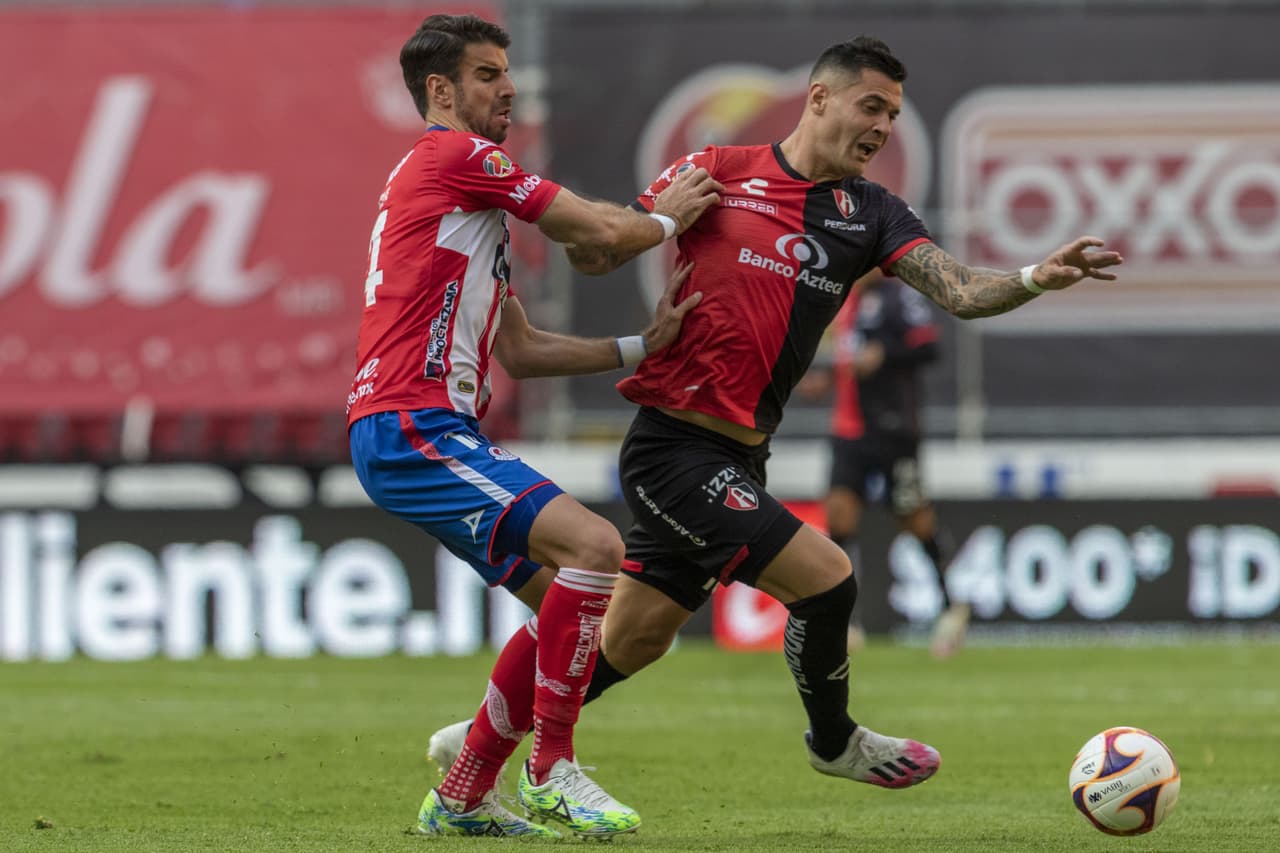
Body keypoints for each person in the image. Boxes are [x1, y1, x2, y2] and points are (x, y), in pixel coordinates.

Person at [556, 34, 1123, 790]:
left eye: (892, 113)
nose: (883, 125)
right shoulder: (720, 172)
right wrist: (655, 221)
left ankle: (491, 730)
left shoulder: (873, 211)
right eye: (872, 106)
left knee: (636, 637)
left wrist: (1035, 275)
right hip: (672, 445)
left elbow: (959, 290)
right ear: (819, 98)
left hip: (739, 455)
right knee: (827, 577)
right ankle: (833, 740)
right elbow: (592, 255)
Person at [347, 14, 721, 839]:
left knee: (564, 606)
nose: (508, 87)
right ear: (440, 92)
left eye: (507, 72)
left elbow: (517, 348)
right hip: (413, 421)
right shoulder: (460, 156)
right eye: (487, 75)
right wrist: (669, 218)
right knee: (595, 550)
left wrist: (637, 346)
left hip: (416, 426)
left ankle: (461, 793)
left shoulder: (456, 197)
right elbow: (596, 230)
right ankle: (553, 771)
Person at [821, 271, 967, 657]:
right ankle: (844, 622)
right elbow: (844, 358)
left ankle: (950, 608)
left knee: (913, 518)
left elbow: (928, 346)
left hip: (893, 429)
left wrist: (884, 354)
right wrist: (826, 380)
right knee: (839, 516)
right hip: (848, 430)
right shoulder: (839, 295)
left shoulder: (898, 297)